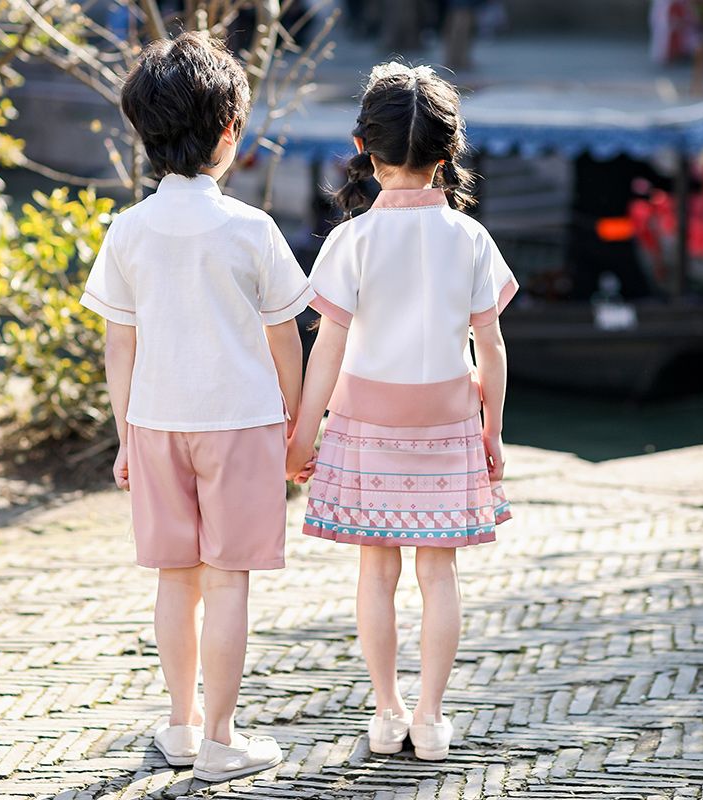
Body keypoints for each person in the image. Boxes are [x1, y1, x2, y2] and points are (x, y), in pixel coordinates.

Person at [80, 32, 314, 782]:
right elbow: (287, 338)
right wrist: (294, 423)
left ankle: (180, 728)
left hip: (153, 421)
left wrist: (125, 436)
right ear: (229, 133)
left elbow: (121, 346)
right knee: (228, 579)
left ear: (144, 134)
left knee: (173, 579)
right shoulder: (252, 229)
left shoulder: (128, 230)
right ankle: (222, 739)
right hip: (242, 424)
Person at [286, 62, 517, 761]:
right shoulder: (471, 240)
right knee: (439, 574)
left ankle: (385, 713)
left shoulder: (351, 242)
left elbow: (325, 355)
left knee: (376, 574)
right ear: (448, 155)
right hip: (448, 423)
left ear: (363, 146)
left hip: (364, 426)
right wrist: (494, 432)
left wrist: (301, 437)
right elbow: (494, 349)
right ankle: (431, 716)